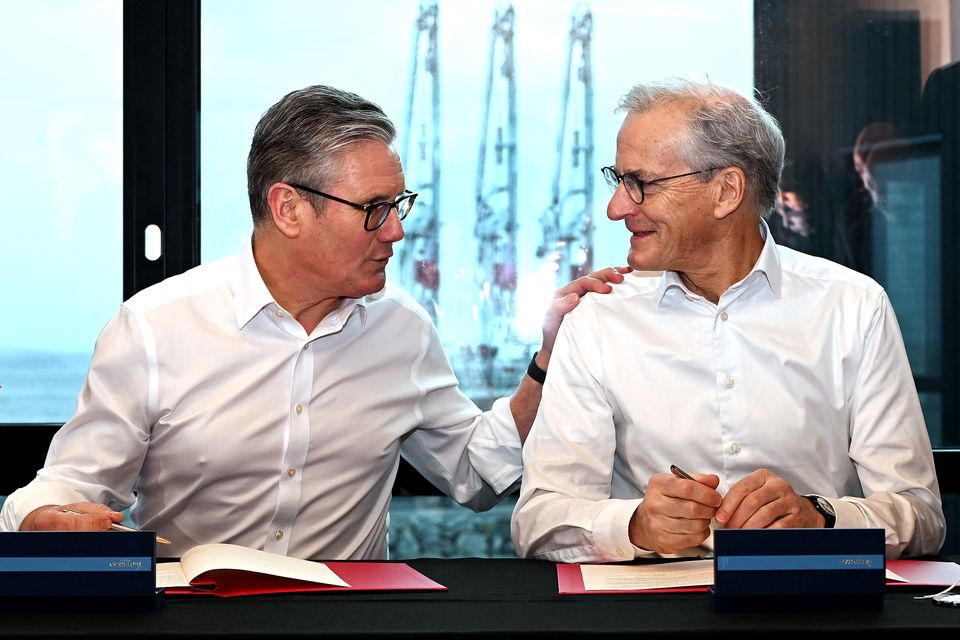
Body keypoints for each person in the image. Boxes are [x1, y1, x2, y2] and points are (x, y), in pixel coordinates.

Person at [0, 85, 626, 560]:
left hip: (350, 624)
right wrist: (43, 518)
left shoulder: (401, 330)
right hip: (192, 625)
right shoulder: (154, 327)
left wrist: (546, 360)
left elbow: (473, 473)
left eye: (399, 205)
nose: (399, 231)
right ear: (289, 208)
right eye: (375, 210)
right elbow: (66, 485)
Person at [511, 77, 945, 563]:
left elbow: (921, 517)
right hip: (648, 624)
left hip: (816, 614)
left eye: (641, 184)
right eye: (618, 181)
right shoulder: (598, 318)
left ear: (726, 191)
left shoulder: (854, 307)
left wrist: (820, 518)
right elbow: (537, 522)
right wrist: (634, 526)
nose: (616, 208)